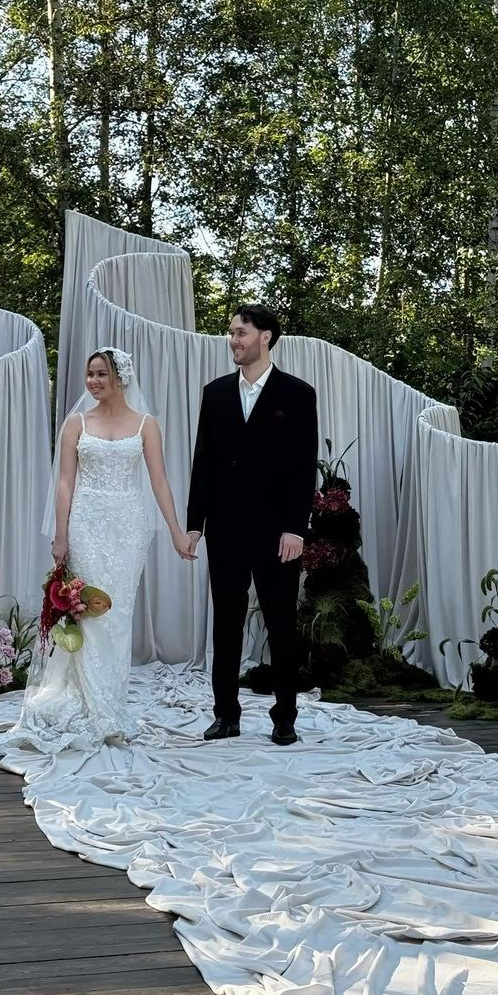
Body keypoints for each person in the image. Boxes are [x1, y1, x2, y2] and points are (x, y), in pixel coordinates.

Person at [0, 347, 194, 757]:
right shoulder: (76, 423)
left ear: (121, 377)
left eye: (102, 374)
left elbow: (159, 482)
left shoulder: (146, 425)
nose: (94, 382)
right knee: (84, 614)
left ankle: (109, 706)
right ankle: (82, 704)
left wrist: (176, 531)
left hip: (128, 529)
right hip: (85, 523)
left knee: (116, 616)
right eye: (90, 374)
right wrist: (61, 535)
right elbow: (65, 483)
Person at [186, 305, 318, 745]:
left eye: (241, 333)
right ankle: (226, 714)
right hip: (224, 529)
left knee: (282, 624)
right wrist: (194, 525)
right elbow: (202, 462)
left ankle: (285, 718)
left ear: (266, 337)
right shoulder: (215, 392)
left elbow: (303, 469)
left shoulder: (298, 394)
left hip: (277, 533)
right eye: (230, 334)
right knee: (225, 622)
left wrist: (295, 529)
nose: (233, 341)